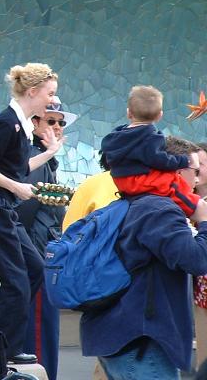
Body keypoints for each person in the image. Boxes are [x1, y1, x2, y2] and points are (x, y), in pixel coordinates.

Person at [80, 137, 207, 378]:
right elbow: (197, 260)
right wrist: (204, 221)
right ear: (178, 172)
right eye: (195, 171)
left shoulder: (139, 202)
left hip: (124, 335)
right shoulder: (160, 210)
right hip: (141, 339)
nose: (197, 180)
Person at [0, 63, 61, 365]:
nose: (53, 101)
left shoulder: (21, 124)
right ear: (32, 91)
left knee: (34, 269)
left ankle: (6, 342)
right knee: (17, 280)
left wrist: (48, 154)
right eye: (50, 94)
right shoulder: (7, 123)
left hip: (4, 208)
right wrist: (17, 188)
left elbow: (16, 167)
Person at [15, 96, 77, 380]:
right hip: (36, 259)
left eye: (60, 122)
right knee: (38, 344)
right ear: (35, 122)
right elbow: (23, 212)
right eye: (50, 121)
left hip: (40, 257)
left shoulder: (43, 159)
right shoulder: (35, 160)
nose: (57, 127)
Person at [101, 85, 200, 216]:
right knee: (171, 182)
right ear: (159, 116)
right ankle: (195, 207)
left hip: (120, 181)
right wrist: (182, 161)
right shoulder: (151, 137)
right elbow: (159, 160)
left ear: (129, 113)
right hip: (138, 182)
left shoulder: (115, 136)